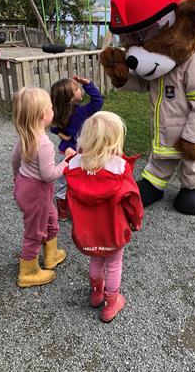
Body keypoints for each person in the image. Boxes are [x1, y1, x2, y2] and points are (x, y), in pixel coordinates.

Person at [64, 111, 143, 322]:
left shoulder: (74, 166)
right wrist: (135, 222)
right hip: (113, 230)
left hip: (88, 232)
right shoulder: (119, 168)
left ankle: (96, 294)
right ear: (116, 141)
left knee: (96, 258)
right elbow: (133, 200)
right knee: (114, 263)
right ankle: (110, 303)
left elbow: (66, 194)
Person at [12, 87, 75, 288]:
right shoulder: (44, 144)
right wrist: (66, 162)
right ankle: (28, 271)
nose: (53, 110)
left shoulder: (25, 136)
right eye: (50, 107)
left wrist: (17, 180)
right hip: (37, 191)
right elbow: (49, 176)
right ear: (43, 115)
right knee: (34, 232)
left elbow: (15, 160)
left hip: (25, 185)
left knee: (51, 218)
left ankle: (50, 255)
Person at [50, 75, 104, 220]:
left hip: (66, 153)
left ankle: (63, 211)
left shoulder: (58, 112)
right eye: (77, 89)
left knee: (64, 182)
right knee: (84, 179)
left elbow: (52, 127)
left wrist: (61, 134)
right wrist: (89, 85)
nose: (80, 90)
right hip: (82, 153)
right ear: (70, 98)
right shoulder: (83, 112)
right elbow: (98, 101)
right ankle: (81, 207)